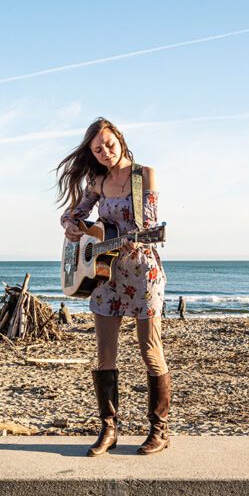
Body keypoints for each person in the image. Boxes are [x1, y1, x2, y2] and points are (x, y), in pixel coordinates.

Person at [57, 118, 169, 456]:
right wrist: (73, 228)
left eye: (109, 144)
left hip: (141, 270)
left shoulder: (143, 175)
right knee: (105, 353)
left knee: (150, 350)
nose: (105, 152)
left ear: (119, 138)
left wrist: (133, 241)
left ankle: (159, 431)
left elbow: (147, 225)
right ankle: (109, 429)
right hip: (104, 275)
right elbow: (73, 214)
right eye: (97, 149)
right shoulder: (97, 180)